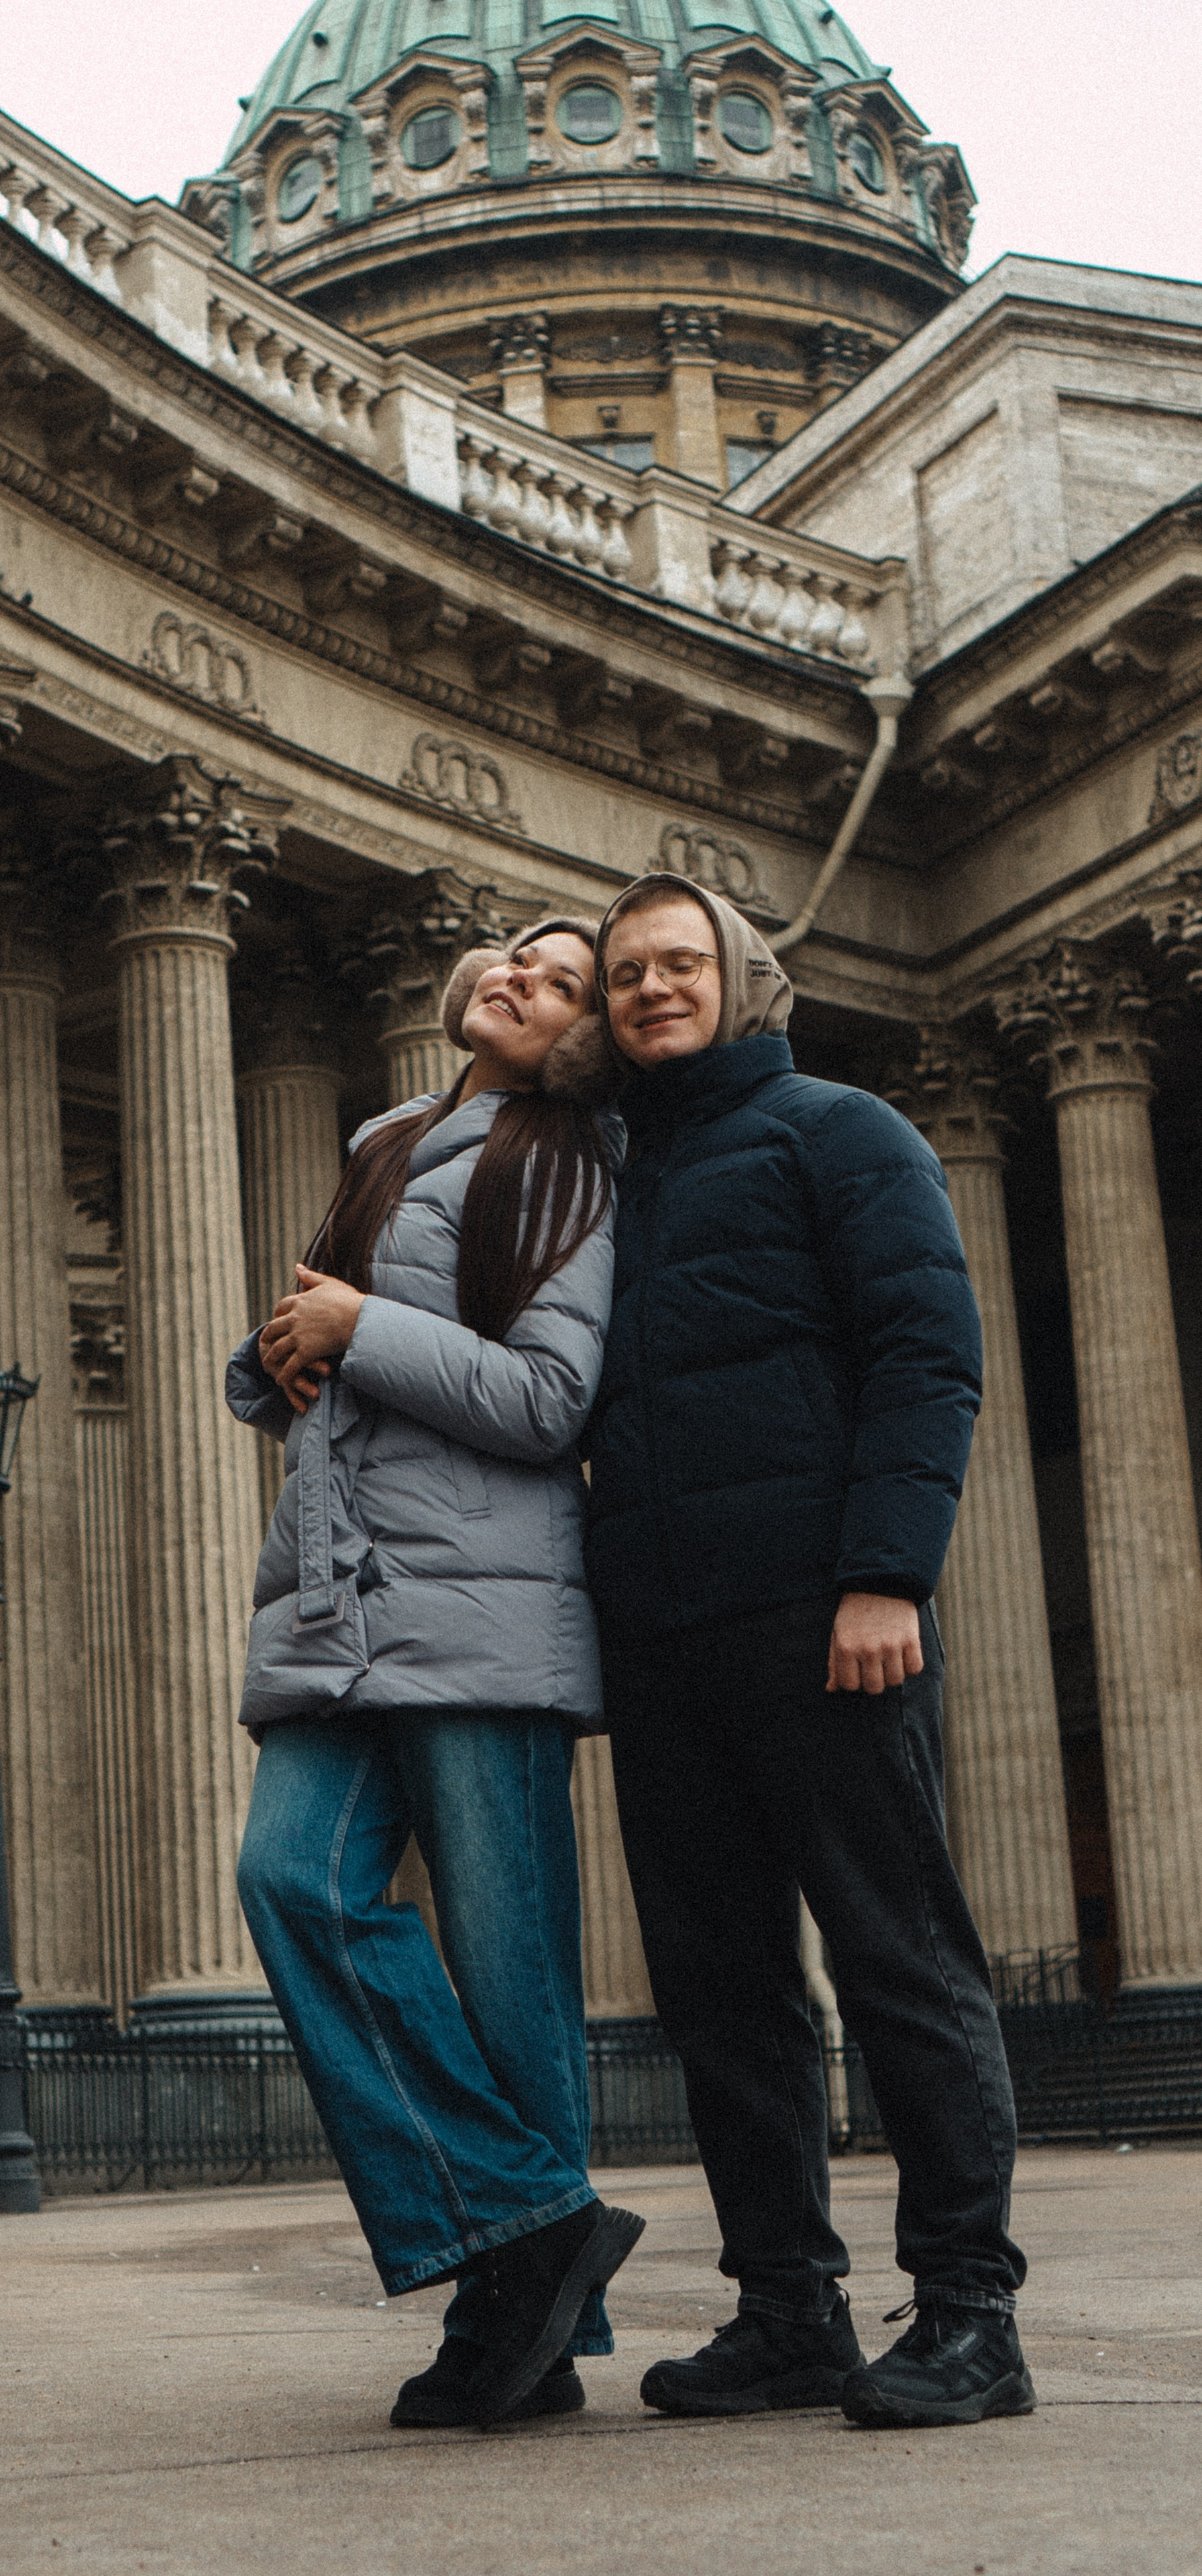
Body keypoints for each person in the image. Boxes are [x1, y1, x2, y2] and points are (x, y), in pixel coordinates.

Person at [584, 871, 1034, 2434]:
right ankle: (785, 2308)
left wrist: (883, 1579)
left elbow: (927, 1353)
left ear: (743, 979)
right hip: (659, 1635)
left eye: (677, 962)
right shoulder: (610, 1178)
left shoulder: (839, 1129)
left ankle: (970, 2311)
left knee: (898, 1953)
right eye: (623, 969)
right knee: (718, 1989)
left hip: (818, 1615)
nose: (649, 987)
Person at [227, 919, 643, 2431]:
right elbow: (334, 1360)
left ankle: (522, 2331)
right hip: (341, 1600)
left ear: (584, 1039)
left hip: (484, 1614)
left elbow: (545, 1402)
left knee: (509, 1977)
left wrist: (358, 1327)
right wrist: (275, 1355)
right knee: (290, 1881)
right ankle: (533, 2224)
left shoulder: (575, 1163)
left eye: (558, 977)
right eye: (512, 952)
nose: (515, 973)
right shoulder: (397, 1139)